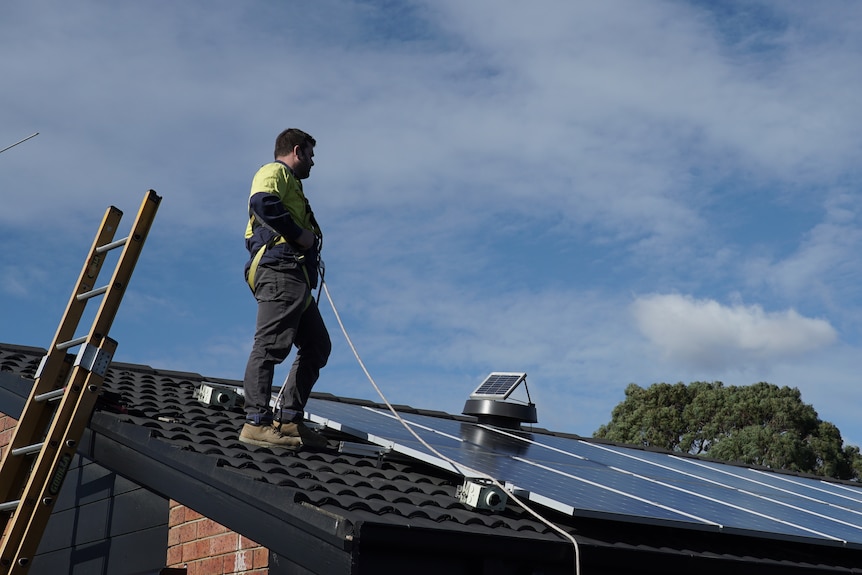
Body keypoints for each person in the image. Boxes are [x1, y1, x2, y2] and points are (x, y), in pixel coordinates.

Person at [239, 128, 331, 449]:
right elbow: (262, 202)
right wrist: (298, 235)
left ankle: (290, 420)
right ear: (296, 151)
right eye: (310, 154)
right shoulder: (274, 171)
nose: (313, 162)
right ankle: (255, 422)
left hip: (296, 279)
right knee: (271, 345)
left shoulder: (292, 185)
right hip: (279, 269)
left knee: (317, 345)